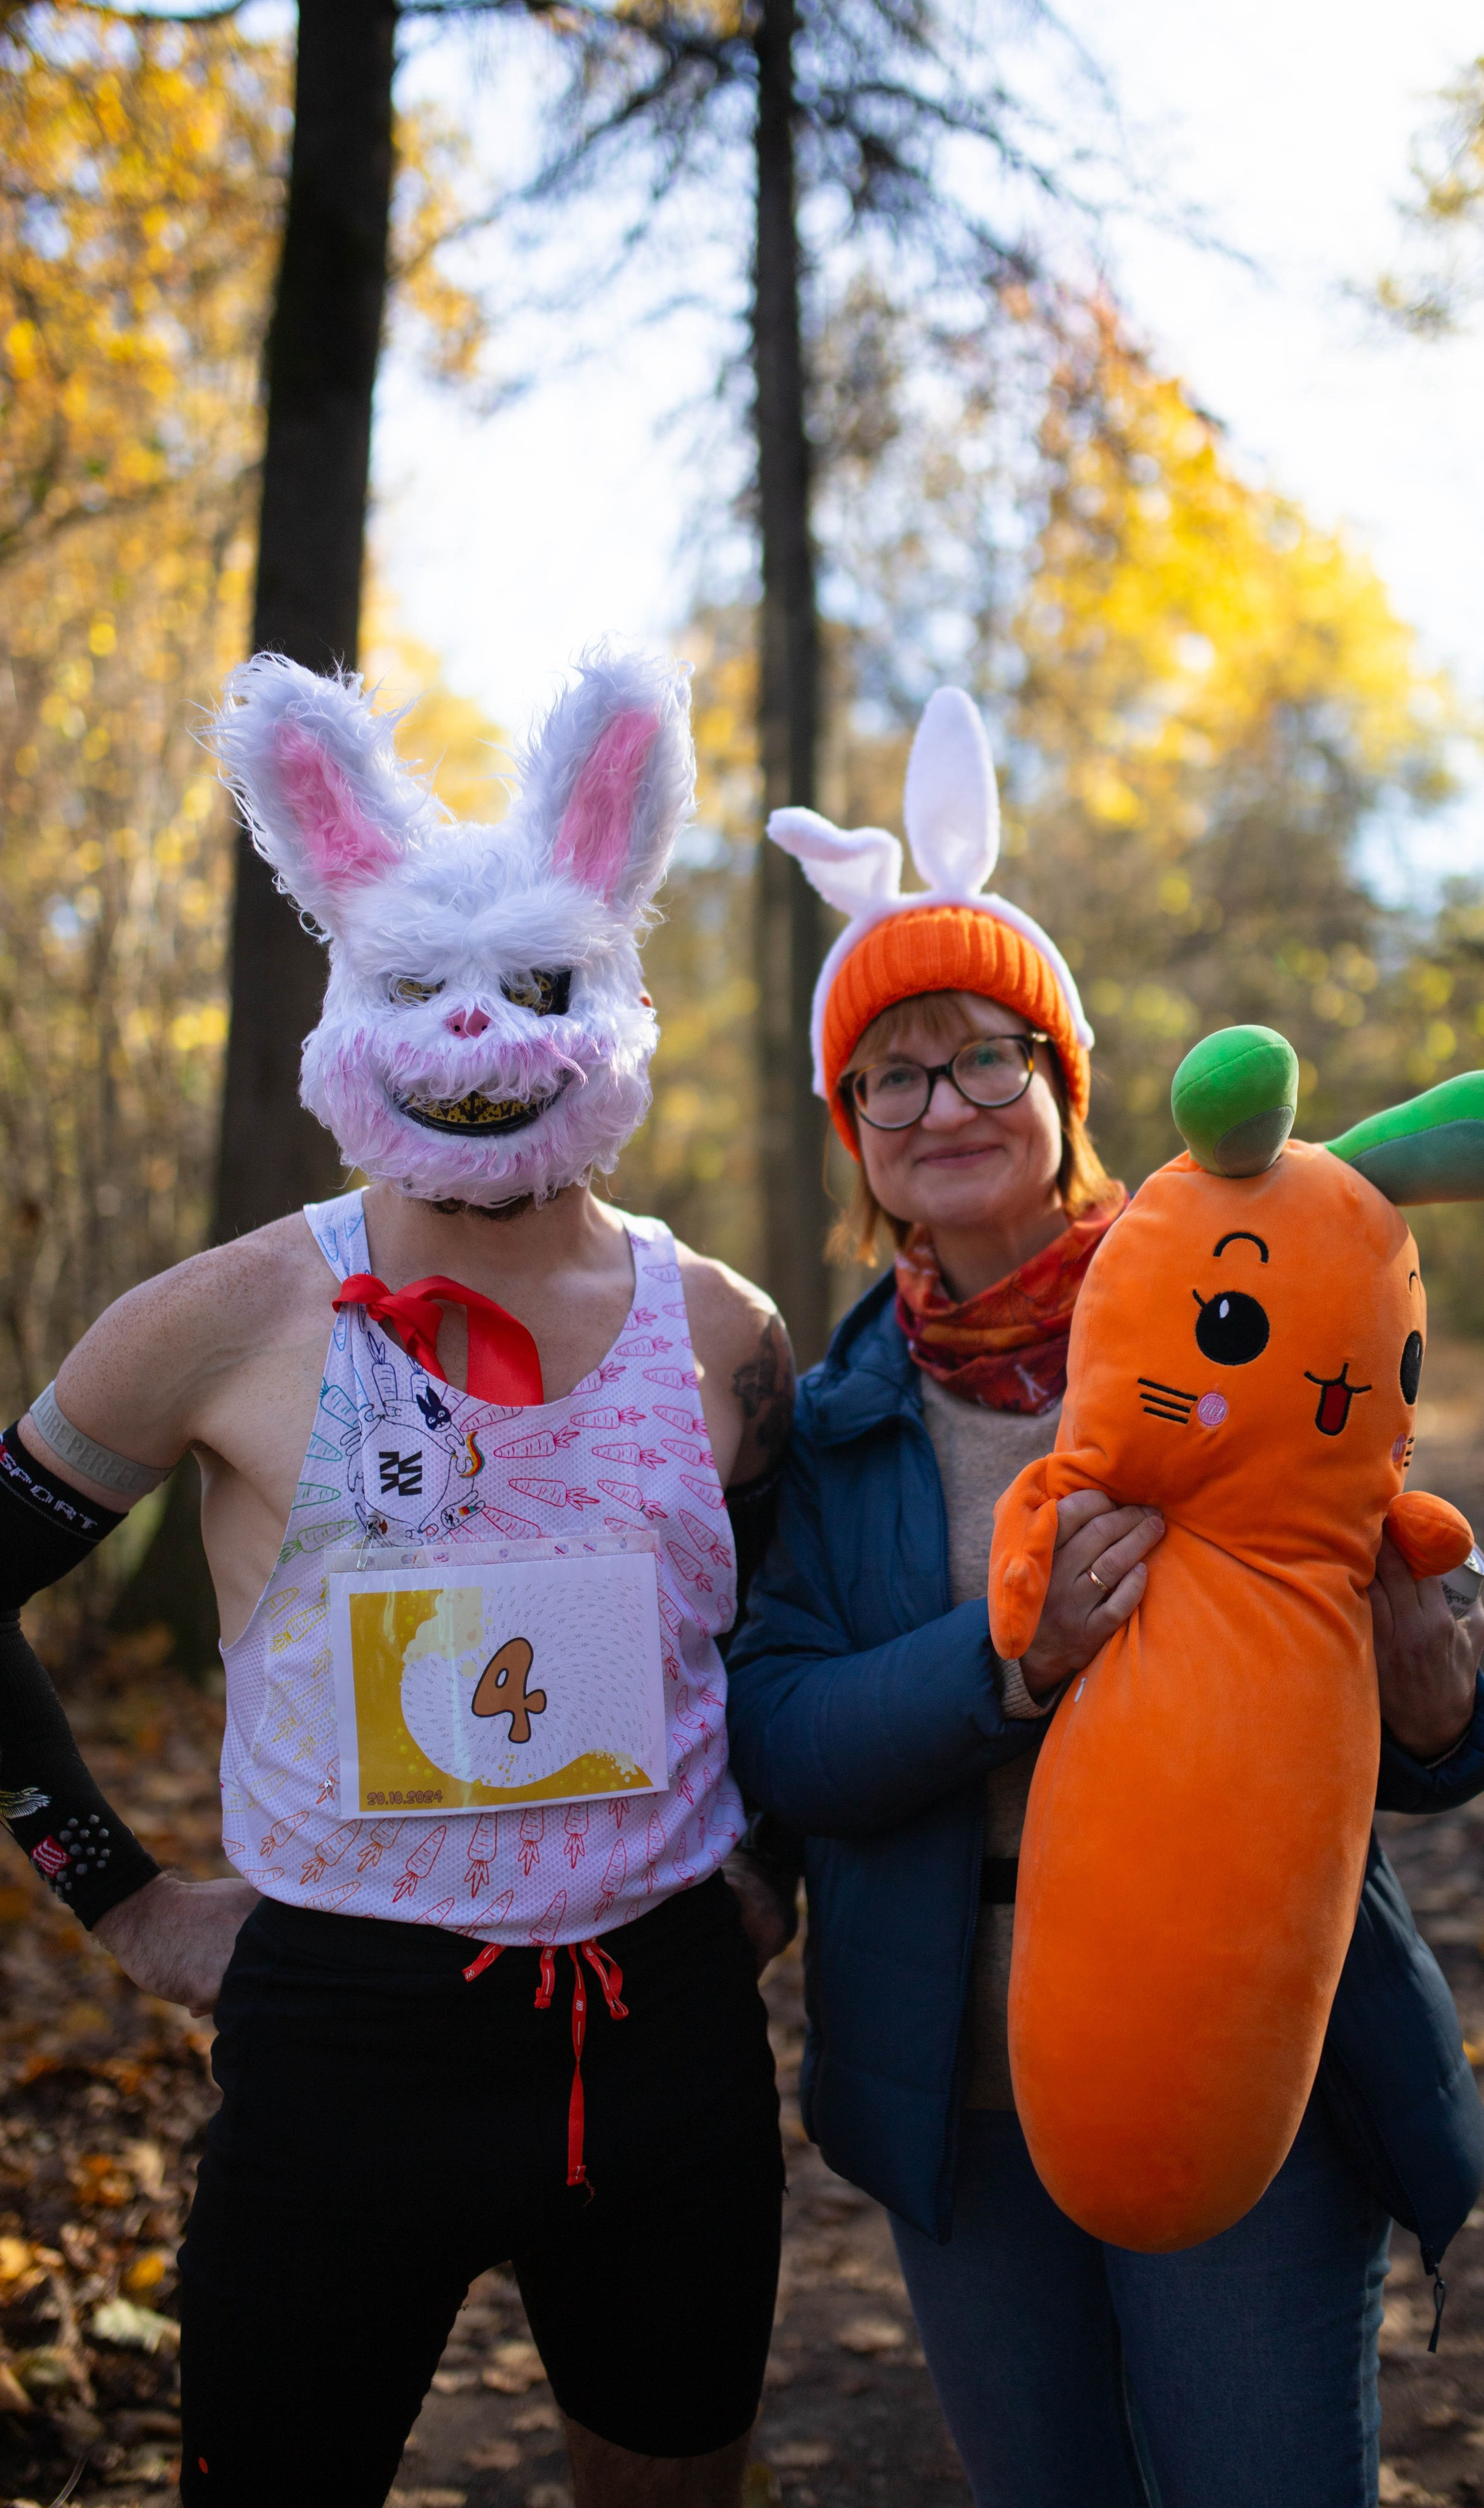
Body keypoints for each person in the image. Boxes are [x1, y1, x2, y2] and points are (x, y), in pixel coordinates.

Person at [0, 644, 795, 2508]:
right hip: (346, 2044)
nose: (483, 1035)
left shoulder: (725, 1332)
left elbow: (797, 1646)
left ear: (610, 984)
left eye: (534, 987)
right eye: (424, 991)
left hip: (661, 2046)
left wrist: (780, 1874)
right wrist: (114, 1899)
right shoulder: (223, 1318)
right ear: (354, 1000)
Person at [724, 689, 1484, 2508]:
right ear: (853, 1129)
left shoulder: (1245, 1316)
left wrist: (1443, 1703)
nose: (944, 1104)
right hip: (961, 2075)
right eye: (892, 1073)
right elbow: (785, 1735)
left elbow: (1434, 1733)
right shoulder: (829, 1412)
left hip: (1248, 2044)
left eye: (989, 1054)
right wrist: (1012, 1657)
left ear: (1063, 1084)